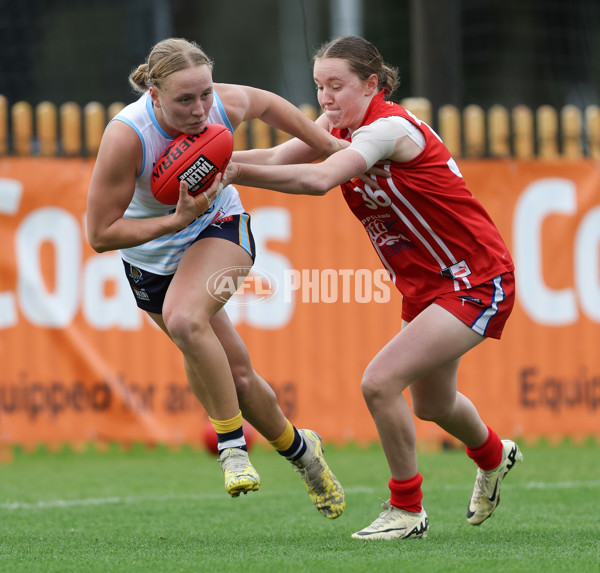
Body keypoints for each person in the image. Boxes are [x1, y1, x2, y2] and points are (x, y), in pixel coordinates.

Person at [224, 35, 523, 540]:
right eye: (319, 86)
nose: (325, 98)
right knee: (431, 405)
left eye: (336, 86)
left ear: (372, 84)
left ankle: (407, 510)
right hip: (426, 287)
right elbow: (278, 157)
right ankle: (495, 456)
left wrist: (227, 170)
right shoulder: (337, 125)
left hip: (476, 278)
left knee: (379, 382)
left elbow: (318, 180)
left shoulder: (388, 129)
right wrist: (212, 161)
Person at [86, 37, 346, 519]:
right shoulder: (128, 135)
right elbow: (100, 234)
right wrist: (173, 219)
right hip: (153, 259)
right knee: (240, 378)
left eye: (205, 93)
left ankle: (231, 448)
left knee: (185, 321)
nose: (201, 108)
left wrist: (328, 146)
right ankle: (304, 453)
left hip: (220, 226)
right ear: (155, 95)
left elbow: (268, 104)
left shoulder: (221, 105)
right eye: (186, 99)